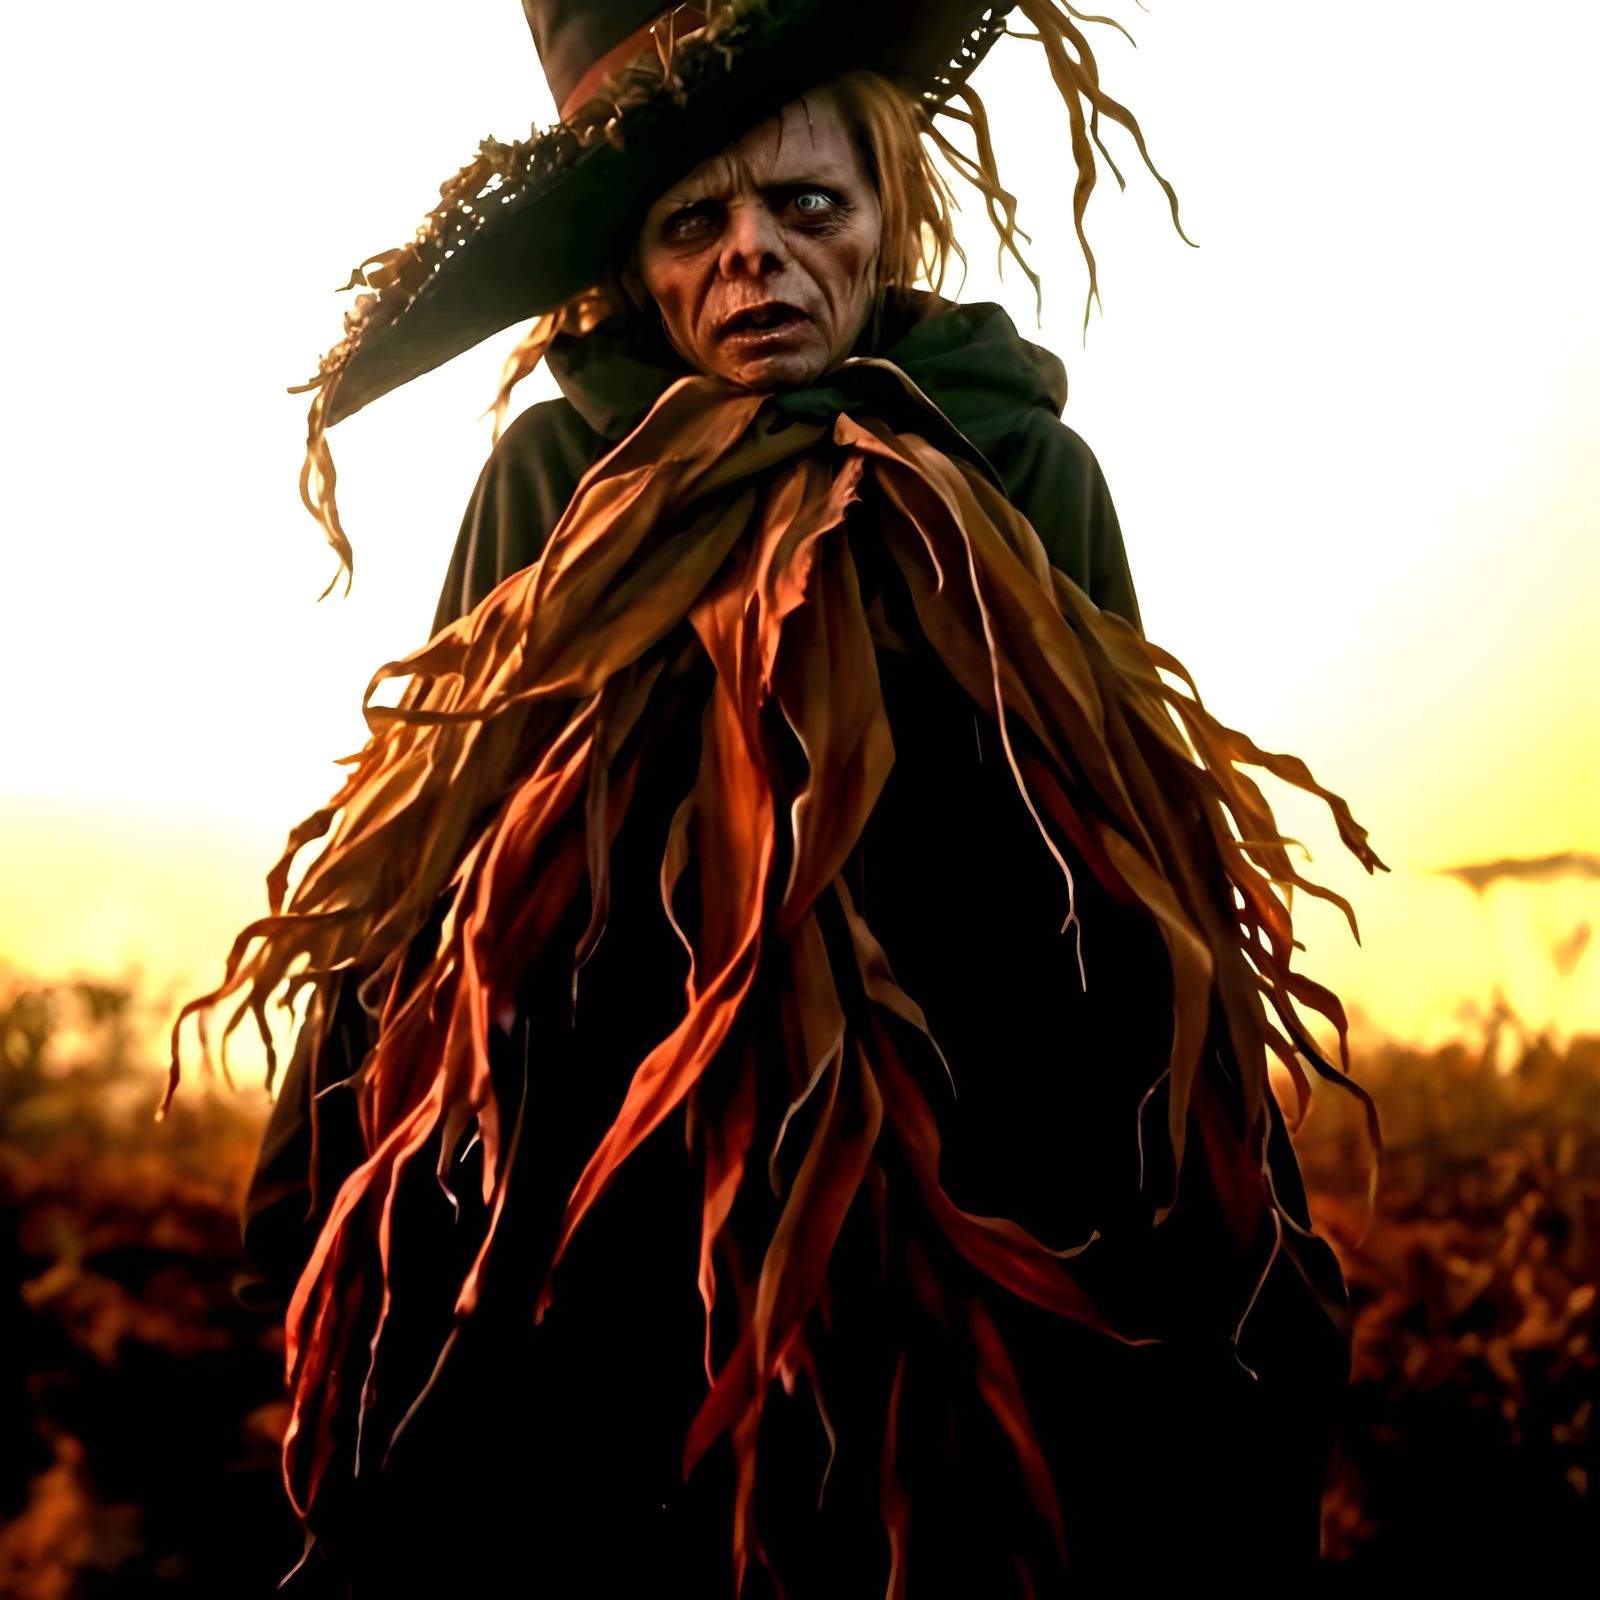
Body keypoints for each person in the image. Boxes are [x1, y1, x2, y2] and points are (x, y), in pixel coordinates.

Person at [174, 4, 1387, 1595]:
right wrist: (315, 1191)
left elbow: (1134, 867)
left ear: (889, 214)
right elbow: (433, 854)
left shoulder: (1021, 467)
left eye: (807, 205)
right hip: (612, 1225)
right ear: (637, 268)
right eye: (695, 223)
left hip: (982, 1202)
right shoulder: (556, 482)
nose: (754, 253)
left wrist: (1226, 1219)